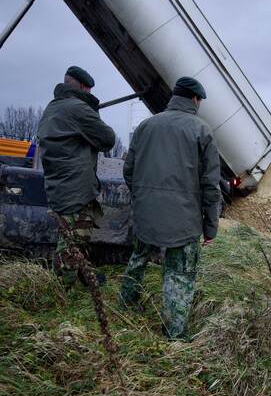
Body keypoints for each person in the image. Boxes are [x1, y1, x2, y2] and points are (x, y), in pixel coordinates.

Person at [119, 76, 221, 339]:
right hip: (184, 221)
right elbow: (210, 185)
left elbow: (128, 171)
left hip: (146, 214)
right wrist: (210, 227)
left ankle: (125, 307)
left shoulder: (145, 126)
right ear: (195, 99)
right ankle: (174, 333)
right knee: (180, 274)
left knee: (138, 259)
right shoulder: (202, 130)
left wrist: (143, 199)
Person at [37, 66, 116, 288]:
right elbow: (108, 138)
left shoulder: (53, 107)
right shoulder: (78, 108)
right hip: (75, 187)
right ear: (84, 87)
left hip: (59, 183)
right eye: (89, 90)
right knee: (72, 241)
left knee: (73, 235)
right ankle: (61, 293)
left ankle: (84, 275)